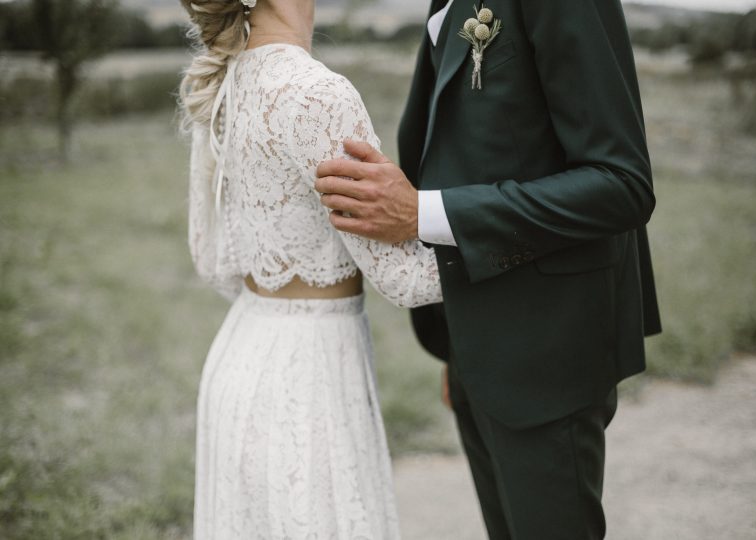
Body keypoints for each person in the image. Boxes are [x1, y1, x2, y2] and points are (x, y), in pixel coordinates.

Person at [315, 0, 663, 538]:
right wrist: (461, 347)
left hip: (548, 349)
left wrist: (421, 214)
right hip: (476, 344)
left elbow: (622, 184)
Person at [178, 0, 442, 538]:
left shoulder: (224, 83)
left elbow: (210, 256)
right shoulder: (318, 95)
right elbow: (407, 279)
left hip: (240, 358)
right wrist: (529, 232)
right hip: (309, 378)